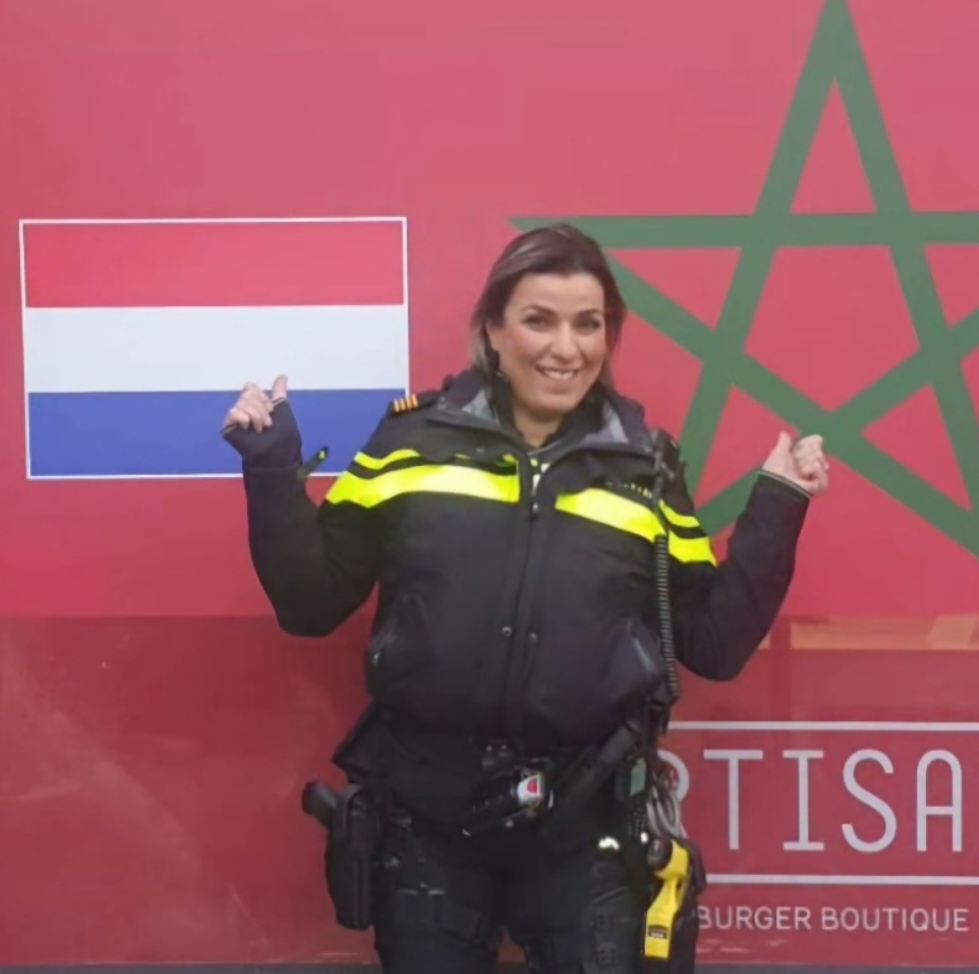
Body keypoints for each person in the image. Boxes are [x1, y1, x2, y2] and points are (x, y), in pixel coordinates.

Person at [223, 224, 828, 974]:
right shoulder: (409, 445)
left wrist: (779, 505)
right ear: (493, 330)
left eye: (588, 324)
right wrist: (270, 469)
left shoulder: (644, 468)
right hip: (429, 823)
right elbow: (310, 604)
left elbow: (714, 643)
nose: (565, 349)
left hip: (587, 829)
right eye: (539, 320)